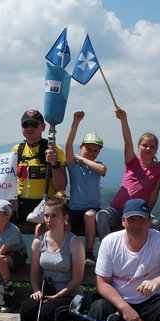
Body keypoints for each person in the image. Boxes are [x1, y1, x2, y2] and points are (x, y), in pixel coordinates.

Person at [7, 197, 85, 321]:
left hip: (71, 296)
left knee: (49, 313)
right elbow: (34, 274)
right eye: (46, 216)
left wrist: (58, 296)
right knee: (27, 308)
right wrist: (36, 291)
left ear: (65, 218)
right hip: (46, 293)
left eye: (54, 216)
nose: (49, 220)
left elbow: (77, 280)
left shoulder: (74, 243)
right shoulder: (39, 242)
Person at [0, 109, 66, 234]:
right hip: (20, 205)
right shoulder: (17, 150)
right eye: (25, 125)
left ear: (43, 127)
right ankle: (4, 251)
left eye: (34, 124)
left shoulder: (54, 150)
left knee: (40, 232)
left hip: (46, 205)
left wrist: (55, 164)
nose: (29, 128)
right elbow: (9, 179)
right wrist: (11, 197)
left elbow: (61, 187)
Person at [96, 108, 160, 240]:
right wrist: (124, 120)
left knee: (156, 224)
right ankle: (108, 251)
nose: (148, 148)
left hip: (139, 210)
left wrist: (147, 212)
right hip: (117, 208)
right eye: (145, 145)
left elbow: (154, 193)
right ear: (138, 147)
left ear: (156, 149)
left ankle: (140, 252)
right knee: (102, 216)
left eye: (152, 146)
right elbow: (128, 142)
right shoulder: (132, 162)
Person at [63, 111, 106, 263]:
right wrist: (75, 123)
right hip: (74, 208)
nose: (92, 153)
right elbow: (68, 145)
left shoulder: (97, 165)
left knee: (89, 216)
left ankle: (89, 252)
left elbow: (102, 170)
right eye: (88, 149)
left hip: (92, 208)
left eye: (96, 150)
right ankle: (64, 251)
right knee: (65, 224)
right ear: (81, 146)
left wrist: (82, 158)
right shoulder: (73, 165)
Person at [0, 200, 27, 312]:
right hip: (2, 254)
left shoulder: (13, 231)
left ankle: (9, 293)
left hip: (18, 254)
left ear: (6, 218)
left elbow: (2, 254)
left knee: (1, 261)